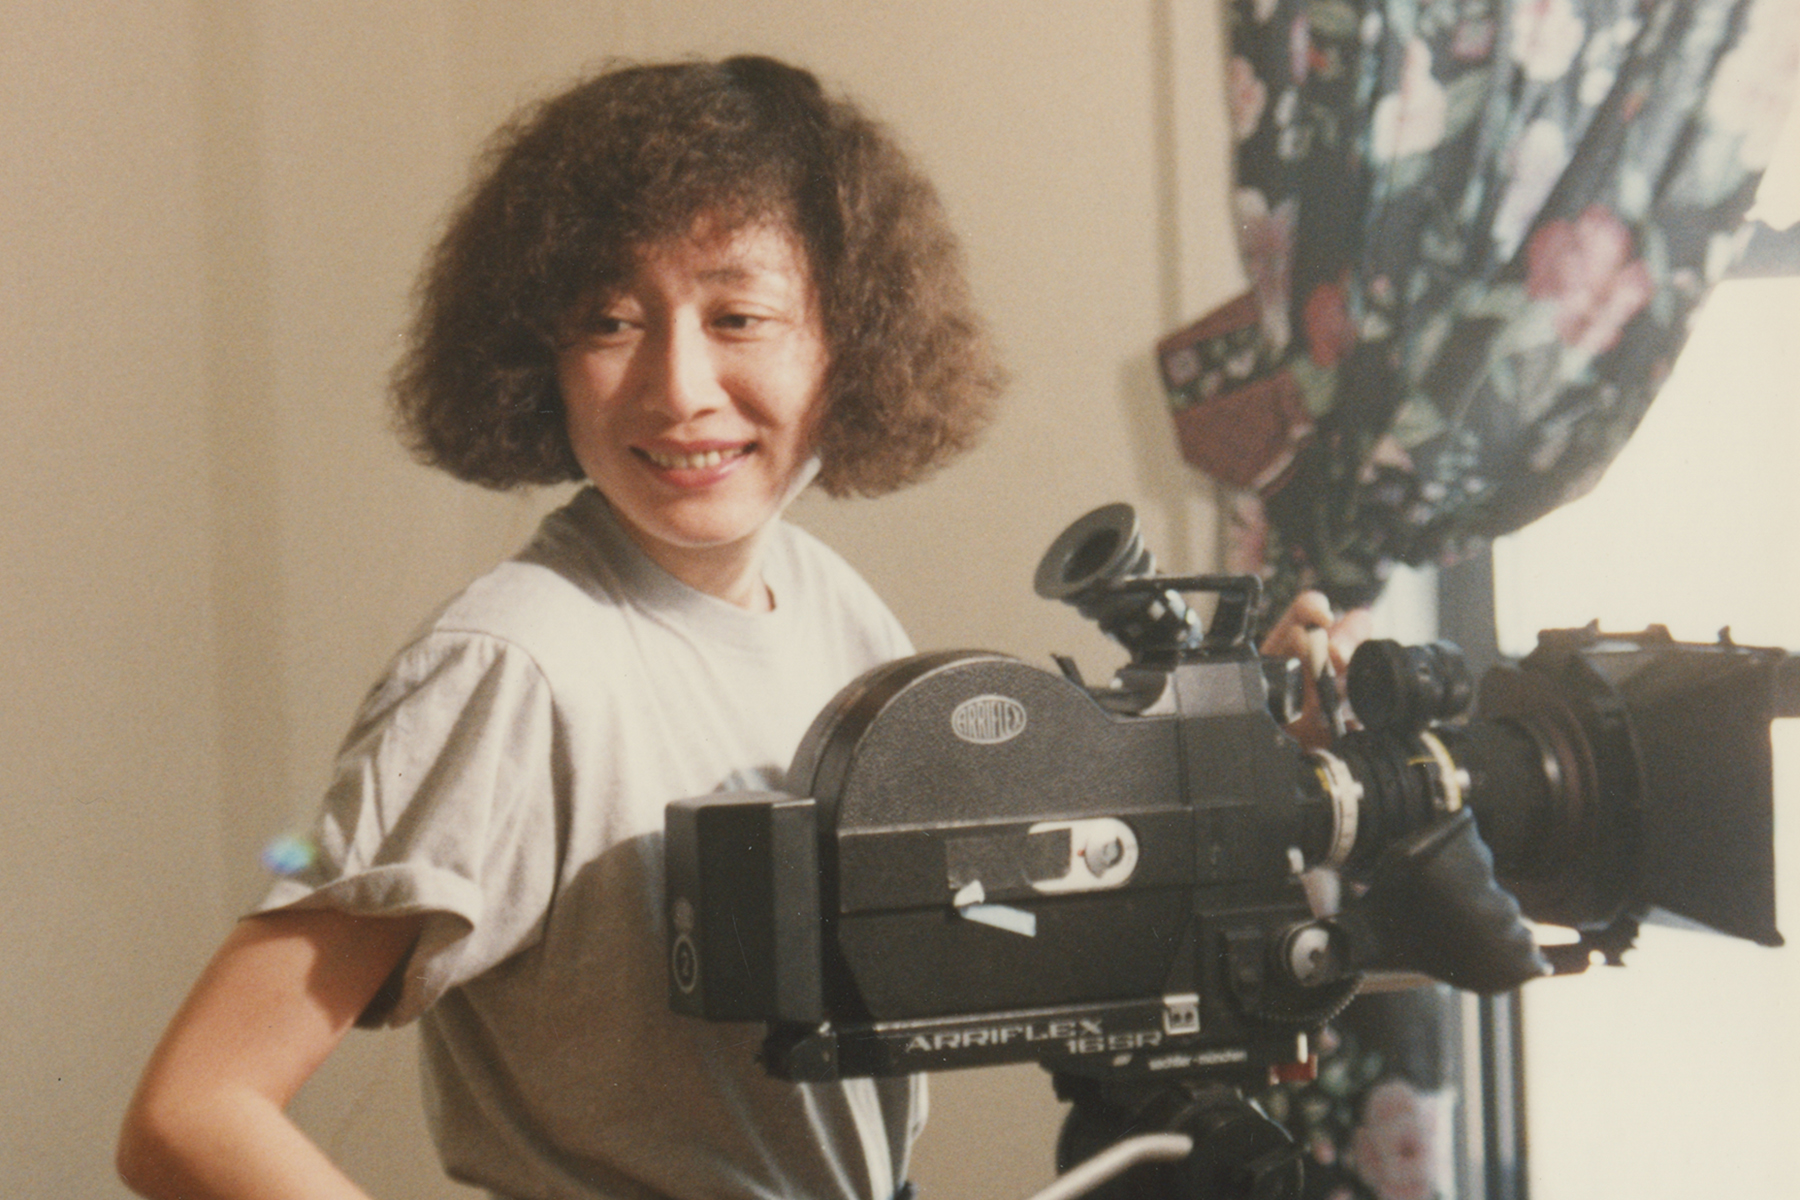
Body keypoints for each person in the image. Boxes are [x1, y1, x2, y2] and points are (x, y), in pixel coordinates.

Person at [116, 55, 1002, 1200]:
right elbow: (191, 1112)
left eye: (739, 315)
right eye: (610, 320)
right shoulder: (515, 666)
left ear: (850, 340)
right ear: (542, 361)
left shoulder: (836, 605)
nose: (679, 385)